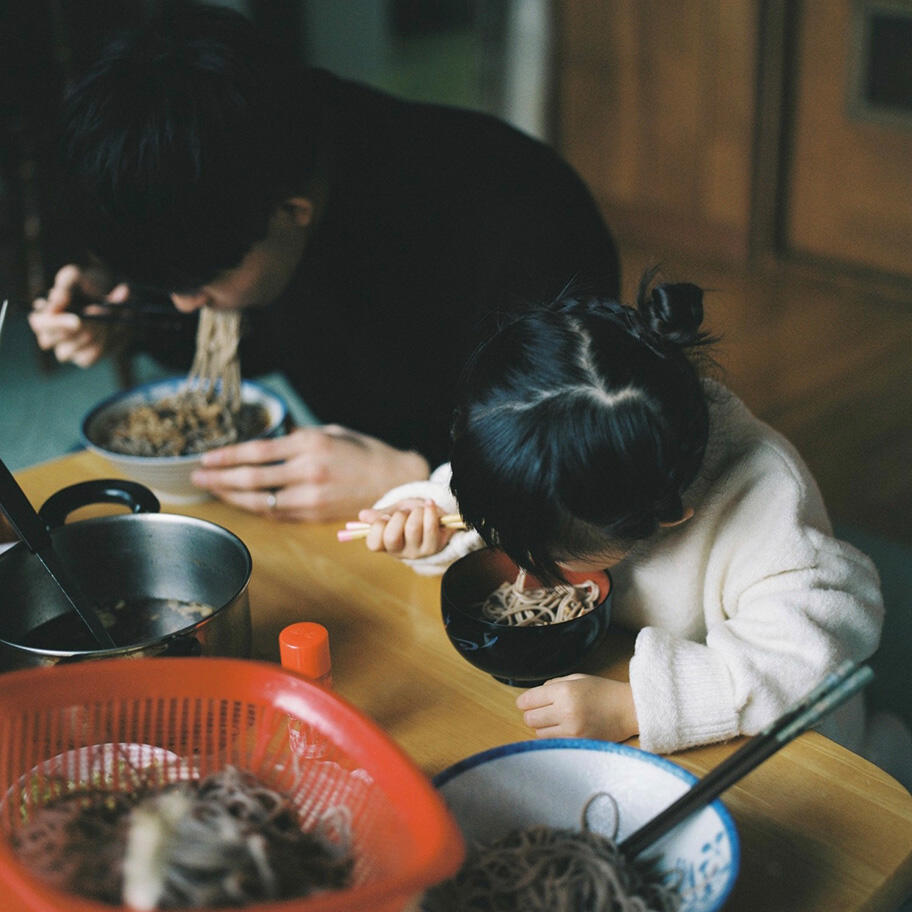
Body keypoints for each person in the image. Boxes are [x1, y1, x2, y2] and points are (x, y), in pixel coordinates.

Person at [28, 2, 620, 521]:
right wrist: (118, 305)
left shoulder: (526, 224)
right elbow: (235, 322)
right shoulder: (257, 165)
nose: (181, 304)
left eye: (198, 282)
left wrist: (413, 481)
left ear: (292, 210)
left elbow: (585, 466)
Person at [355, 270, 912, 787]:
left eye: (548, 559)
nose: (526, 574)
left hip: (772, 732)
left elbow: (810, 655)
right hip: (610, 667)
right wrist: (429, 518)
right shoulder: (547, 447)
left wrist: (637, 707)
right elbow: (495, 494)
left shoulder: (765, 501)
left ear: (665, 519)